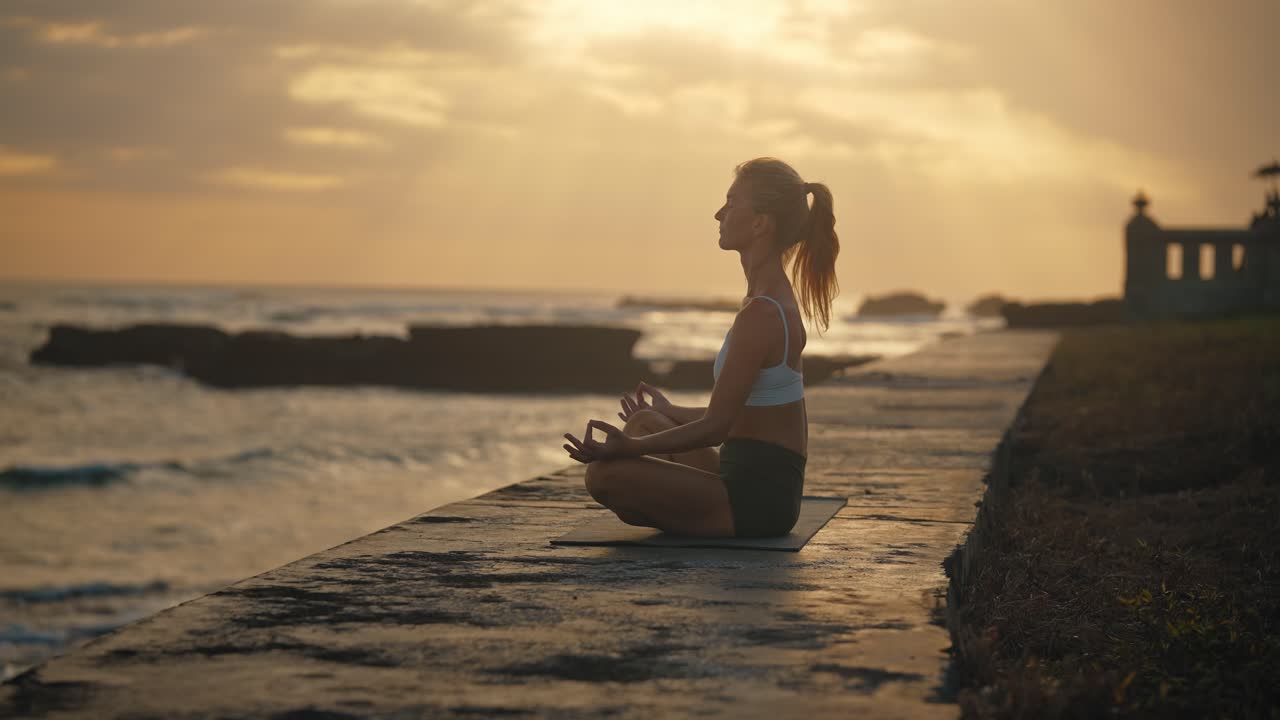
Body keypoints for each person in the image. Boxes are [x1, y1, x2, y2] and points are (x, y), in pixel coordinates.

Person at [562, 157, 840, 537]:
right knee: (644, 422)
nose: (718, 214)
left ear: (760, 223)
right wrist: (668, 411)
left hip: (758, 503)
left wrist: (628, 449)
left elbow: (716, 428)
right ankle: (690, 509)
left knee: (604, 475)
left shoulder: (763, 313)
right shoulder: (762, 298)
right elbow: (745, 415)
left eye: (730, 203)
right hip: (747, 479)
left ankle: (698, 517)